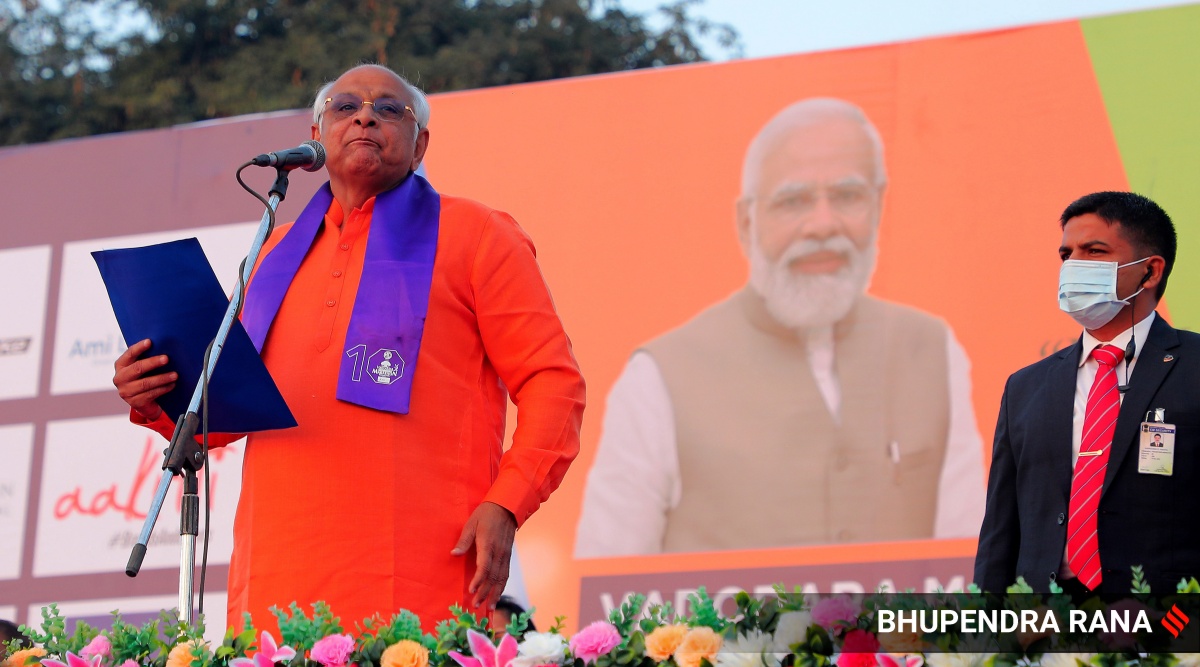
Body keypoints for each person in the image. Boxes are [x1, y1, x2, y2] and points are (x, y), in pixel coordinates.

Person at [113, 64, 585, 629]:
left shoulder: (480, 234)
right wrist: (157, 391)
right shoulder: (272, 252)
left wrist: (508, 501)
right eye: (345, 106)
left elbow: (553, 383)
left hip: (422, 571)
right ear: (317, 135)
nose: (365, 115)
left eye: (390, 109)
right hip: (275, 576)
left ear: (420, 146)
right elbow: (225, 410)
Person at [574, 98, 985, 556]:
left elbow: (970, 561)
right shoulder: (659, 375)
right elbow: (608, 593)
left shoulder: (931, 350)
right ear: (747, 223)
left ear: (878, 205)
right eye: (793, 201)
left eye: (847, 196)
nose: (823, 224)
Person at [974, 191, 1200, 596]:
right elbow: (1001, 528)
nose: (1074, 265)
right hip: (1045, 631)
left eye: (1094, 251)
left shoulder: (1194, 365)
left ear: (1150, 271)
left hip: (1166, 630)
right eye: (1066, 254)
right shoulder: (1026, 386)